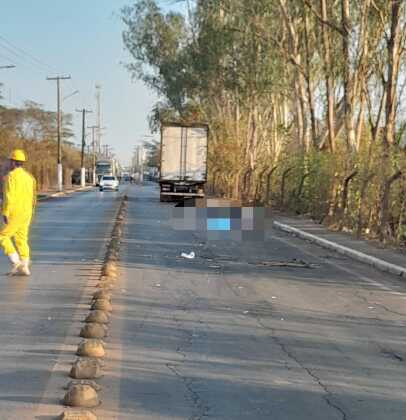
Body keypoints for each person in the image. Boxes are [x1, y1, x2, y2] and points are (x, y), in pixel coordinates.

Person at [0, 149, 36, 276]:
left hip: (15, 212)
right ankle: (25, 266)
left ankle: (15, 261)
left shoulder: (11, 177)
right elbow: (33, 197)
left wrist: (5, 212)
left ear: (14, 162)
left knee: (3, 236)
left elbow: (9, 196)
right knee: (22, 239)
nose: (10, 163)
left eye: (11, 161)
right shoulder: (29, 177)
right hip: (27, 212)